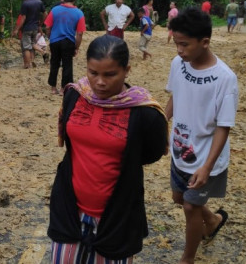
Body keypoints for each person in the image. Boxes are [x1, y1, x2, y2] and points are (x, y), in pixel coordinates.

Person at [47, 35, 168, 264]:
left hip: (118, 216)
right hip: (69, 209)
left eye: (110, 74)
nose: (100, 82)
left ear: (126, 71)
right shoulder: (75, 94)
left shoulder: (145, 113)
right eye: (93, 73)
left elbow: (150, 153)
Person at [166, 8, 238, 264]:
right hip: (180, 150)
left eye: (184, 44)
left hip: (205, 158)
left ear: (205, 42)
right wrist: (162, 124)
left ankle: (188, 258)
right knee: (179, 197)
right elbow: (175, 95)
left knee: (189, 206)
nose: (179, 50)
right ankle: (213, 219)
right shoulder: (179, 64)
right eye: (176, 43)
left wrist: (207, 167)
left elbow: (223, 126)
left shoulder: (224, 78)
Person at [45, 0, 86, 95]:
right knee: (67, 65)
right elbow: (80, 33)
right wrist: (76, 47)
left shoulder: (55, 10)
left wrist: (50, 37)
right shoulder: (79, 13)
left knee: (54, 63)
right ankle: (64, 88)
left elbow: (48, 27)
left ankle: (53, 87)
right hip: (68, 42)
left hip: (55, 41)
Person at [13, 0, 45, 69]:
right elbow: (45, 14)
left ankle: (27, 65)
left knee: (26, 47)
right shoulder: (39, 2)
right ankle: (32, 60)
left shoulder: (25, 3)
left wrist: (16, 29)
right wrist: (40, 24)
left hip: (27, 28)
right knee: (32, 45)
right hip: (35, 28)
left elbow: (23, 18)